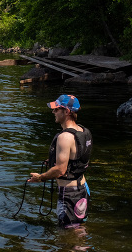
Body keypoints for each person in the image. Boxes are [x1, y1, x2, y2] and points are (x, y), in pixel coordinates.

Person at [28, 94, 92, 228]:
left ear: (67, 112)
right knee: (78, 228)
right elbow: (77, 158)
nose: (53, 112)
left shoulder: (65, 137)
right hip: (83, 189)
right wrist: (52, 160)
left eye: (56, 109)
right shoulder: (84, 131)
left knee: (66, 233)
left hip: (69, 194)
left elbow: (60, 170)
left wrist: (41, 177)